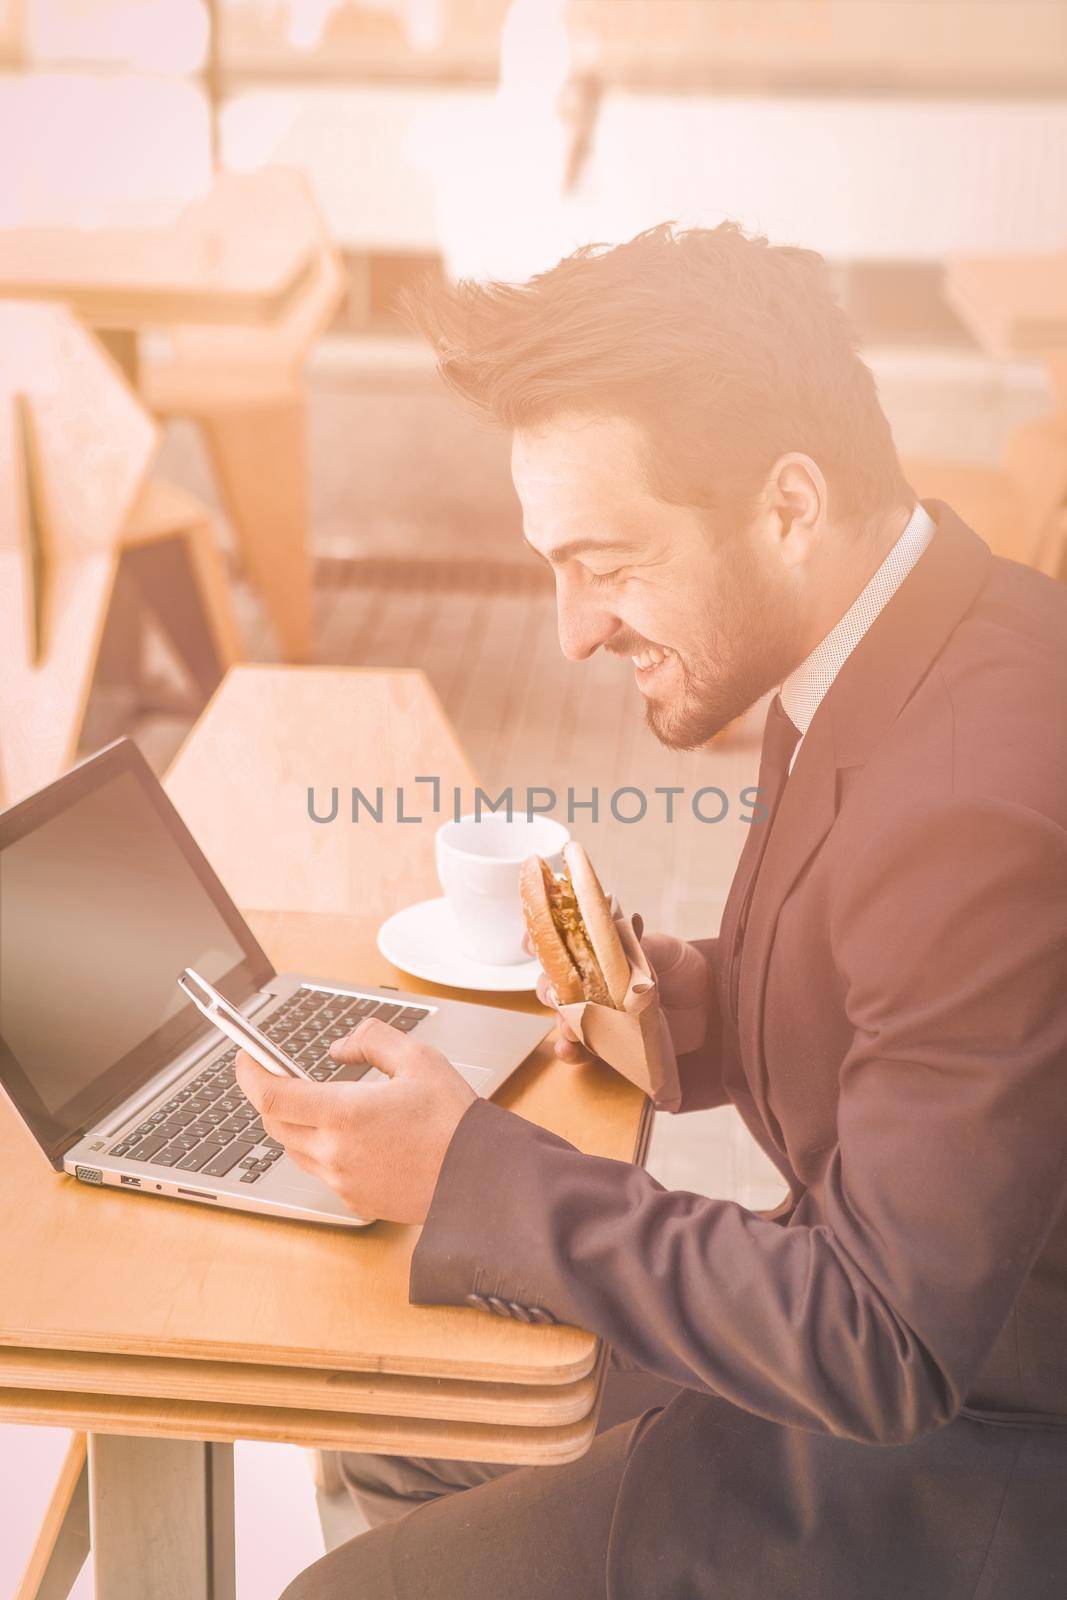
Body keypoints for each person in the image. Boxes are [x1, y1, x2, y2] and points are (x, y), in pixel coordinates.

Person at [238, 223, 1067, 1599]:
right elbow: (922, 1016)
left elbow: (884, 1340)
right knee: (391, 1422)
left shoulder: (964, 802)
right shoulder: (916, 633)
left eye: (606, 561)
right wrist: (673, 998)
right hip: (916, 1368)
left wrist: (469, 1172)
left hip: (960, 1470)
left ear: (789, 506)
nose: (569, 632)